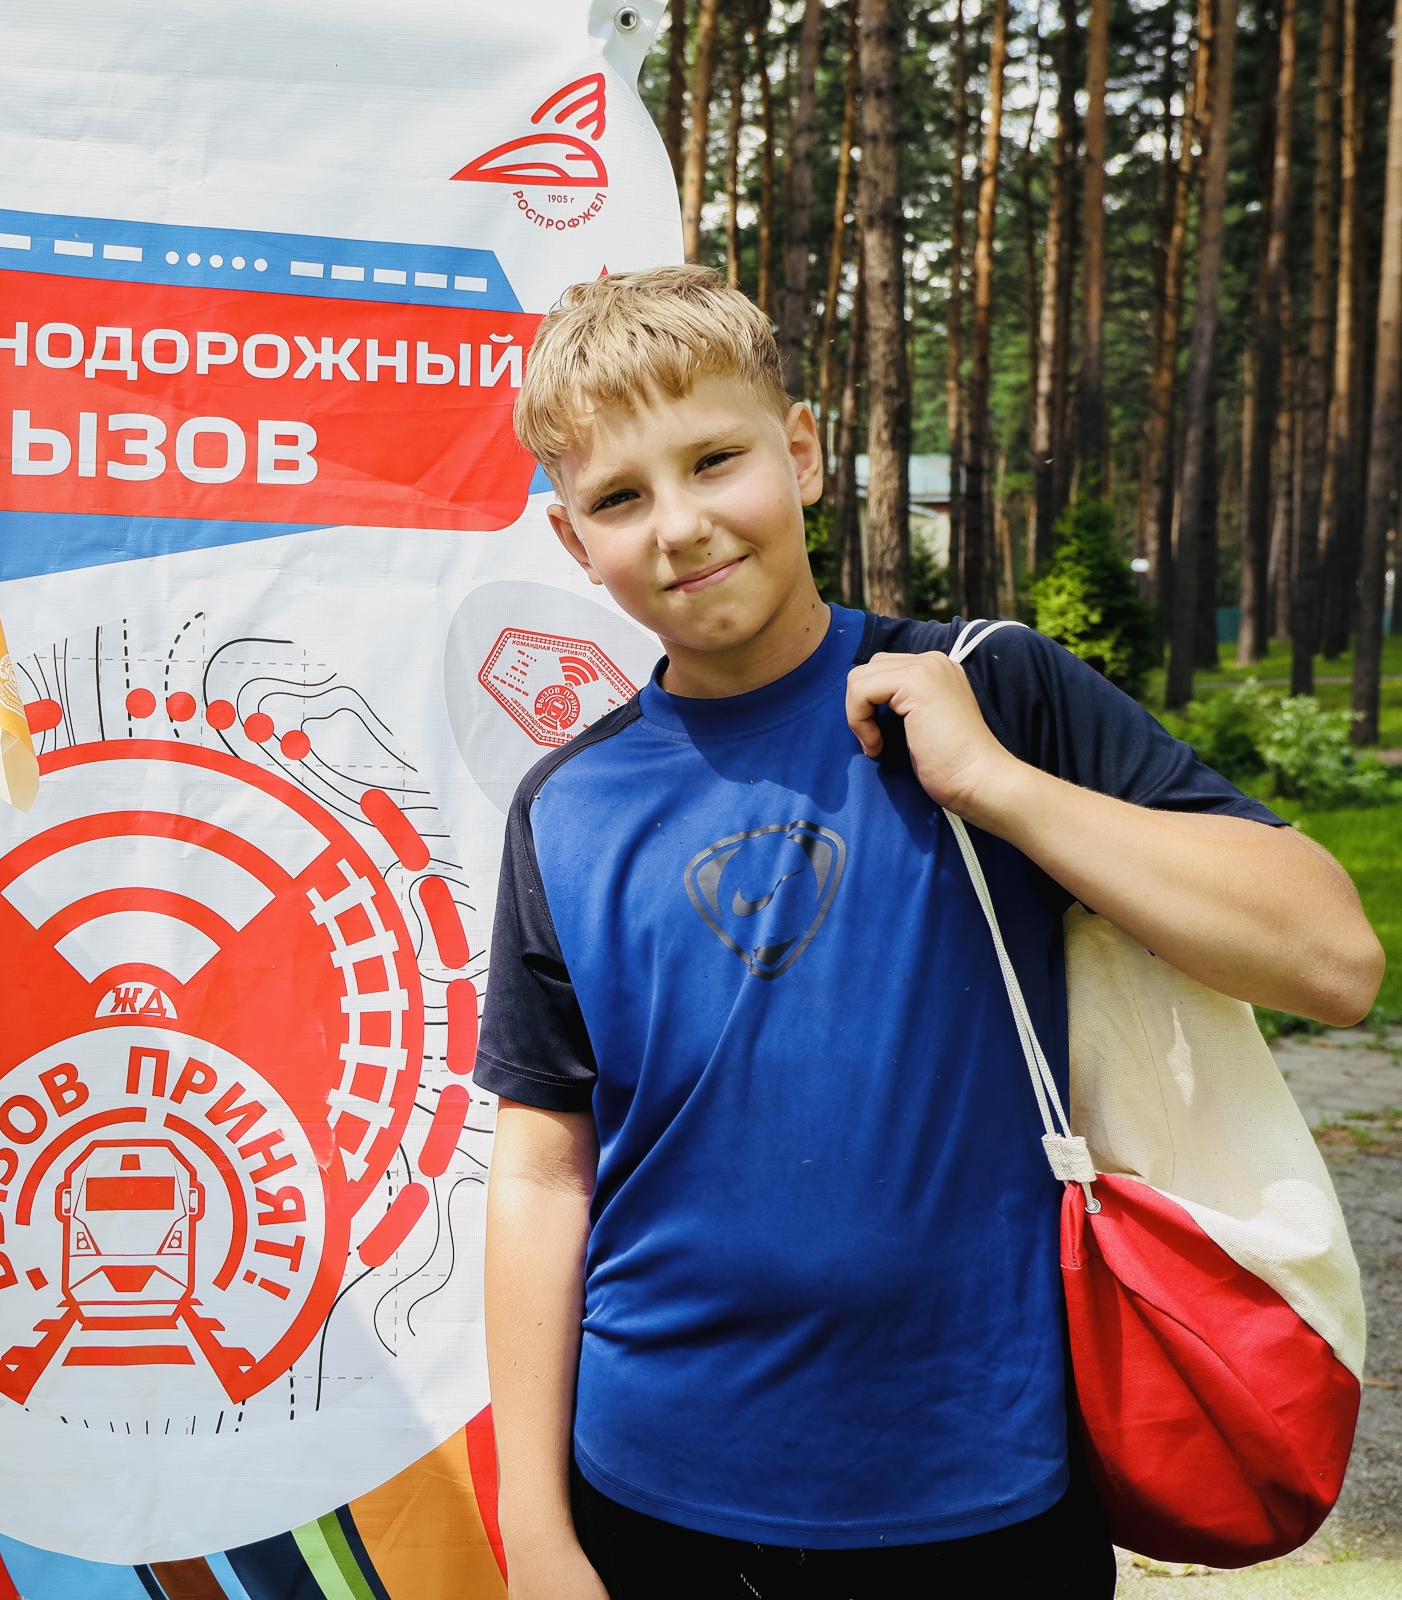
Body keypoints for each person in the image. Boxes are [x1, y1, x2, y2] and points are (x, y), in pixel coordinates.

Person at [476, 266, 1382, 1600]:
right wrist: (536, 1529)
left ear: (800, 453)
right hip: (650, 1487)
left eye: (716, 460)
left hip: (984, 1486)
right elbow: (542, 1175)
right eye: (619, 497)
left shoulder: (990, 687)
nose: (680, 524)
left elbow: (1333, 960)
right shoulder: (566, 805)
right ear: (573, 540)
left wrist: (998, 786)